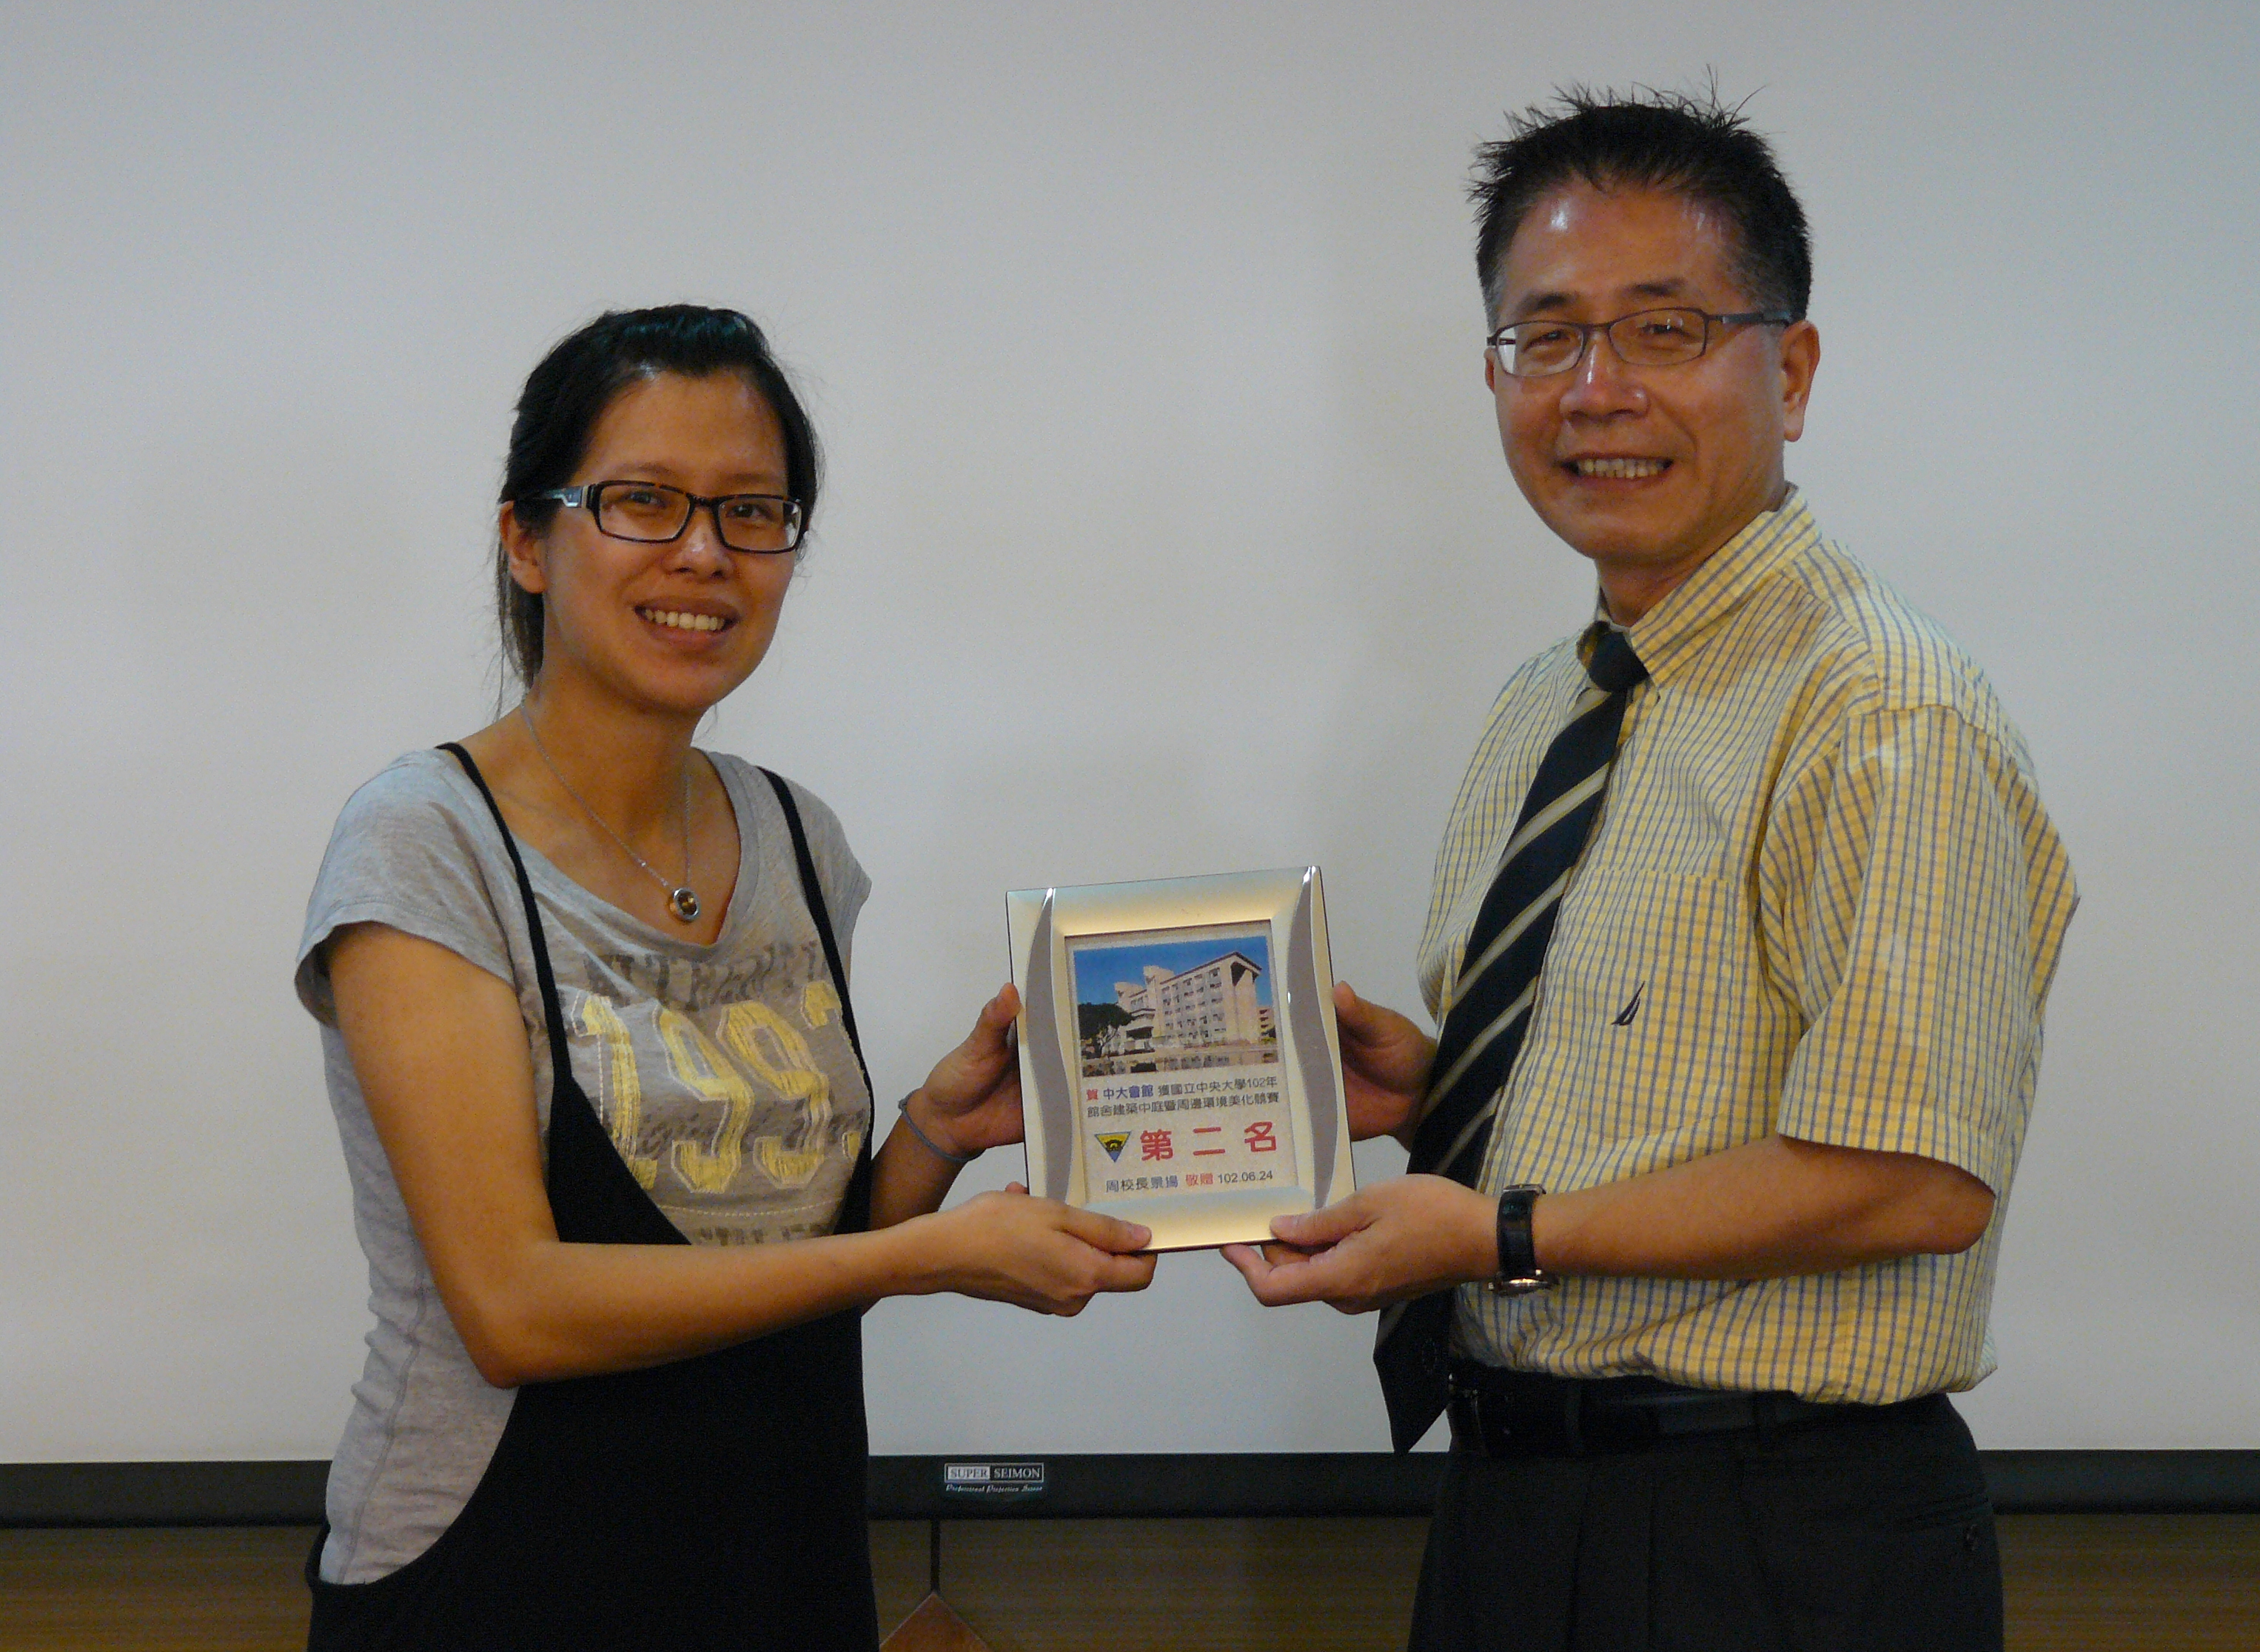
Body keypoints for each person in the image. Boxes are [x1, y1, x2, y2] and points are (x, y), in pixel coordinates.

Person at [1225, 90, 2077, 1649]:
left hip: (1770, 1534)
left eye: (1665, 330)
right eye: (1545, 337)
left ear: (1790, 372)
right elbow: (1669, 1073)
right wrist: (1445, 1086)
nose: (1596, 390)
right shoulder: (1546, 706)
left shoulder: (1879, 705)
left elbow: (1915, 1175)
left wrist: (1498, 1230)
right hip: (1516, 1504)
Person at [295, 304, 1155, 1650]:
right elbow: (514, 1307)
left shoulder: (797, 838)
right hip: (496, 1576)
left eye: (752, 512)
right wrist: (925, 1257)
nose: (704, 552)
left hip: (780, 1552)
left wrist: (932, 1138)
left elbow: (788, 1252)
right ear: (526, 540)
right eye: (643, 501)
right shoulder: (427, 841)